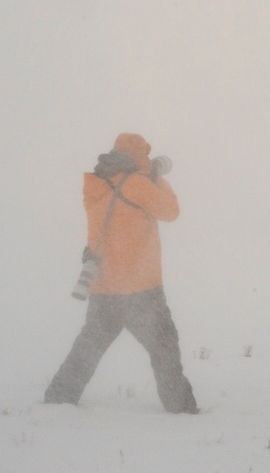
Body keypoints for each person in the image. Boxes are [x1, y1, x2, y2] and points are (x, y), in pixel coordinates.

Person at [45, 133, 198, 414]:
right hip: (141, 289)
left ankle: (58, 399)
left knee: (88, 348)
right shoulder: (138, 184)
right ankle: (181, 408)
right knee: (164, 347)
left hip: (103, 286)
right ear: (139, 157)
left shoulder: (97, 185)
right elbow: (171, 211)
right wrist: (157, 177)